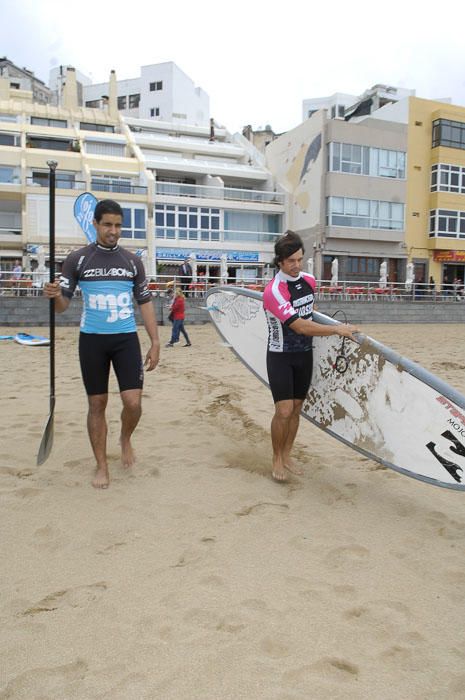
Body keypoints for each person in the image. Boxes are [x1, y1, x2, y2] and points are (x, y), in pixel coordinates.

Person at [43, 199, 160, 489]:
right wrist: (53, 294)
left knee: (133, 403)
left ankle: (124, 438)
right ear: (95, 224)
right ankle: (101, 464)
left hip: (125, 340)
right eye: (107, 224)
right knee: (97, 403)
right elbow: (61, 306)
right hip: (92, 341)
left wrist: (155, 341)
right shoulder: (78, 259)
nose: (113, 230)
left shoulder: (132, 262)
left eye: (118, 225)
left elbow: (145, 303)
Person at [263, 230, 358, 482]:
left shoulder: (309, 280)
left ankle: (287, 454)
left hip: (305, 355)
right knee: (283, 411)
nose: (297, 265)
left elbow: (310, 311)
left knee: (296, 410)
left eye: (300, 259)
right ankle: (276, 459)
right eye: (291, 260)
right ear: (280, 261)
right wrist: (337, 329)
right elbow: (300, 326)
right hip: (280, 356)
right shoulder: (274, 291)